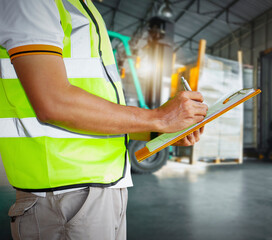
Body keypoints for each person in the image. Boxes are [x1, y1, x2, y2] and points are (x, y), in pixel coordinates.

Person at [0, 1, 207, 239]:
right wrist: (158, 118)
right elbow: (53, 102)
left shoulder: (82, 8)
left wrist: (160, 131)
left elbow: (101, 114)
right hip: (65, 195)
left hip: (104, 188)